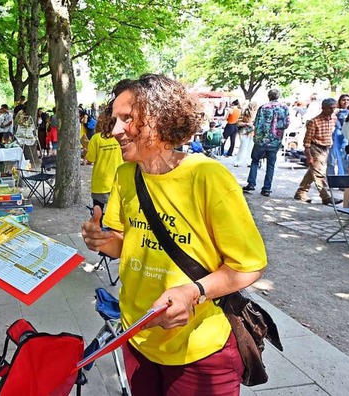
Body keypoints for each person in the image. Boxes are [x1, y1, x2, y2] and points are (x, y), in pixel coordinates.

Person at [81, 74, 267, 395]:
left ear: (160, 118)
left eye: (127, 119)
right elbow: (126, 246)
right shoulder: (126, 175)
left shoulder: (207, 175)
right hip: (137, 335)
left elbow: (247, 266)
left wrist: (193, 292)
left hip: (200, 348)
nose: (114, 131)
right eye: (114, 119)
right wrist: (104, 242)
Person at [294, 98, 342, 205]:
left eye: (334, 107)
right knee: (319, 173)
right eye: (330, 108)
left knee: (313, 171)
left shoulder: (333, 118)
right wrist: (309, 156)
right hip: (315, 147)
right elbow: (307, 141)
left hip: (326, 148)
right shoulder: (314, 122)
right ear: (323, 108)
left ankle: (301, 192)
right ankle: (326, 196)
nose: (332, 110)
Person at [243, 89, 290, 197]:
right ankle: (267, 188)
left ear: (269, 96)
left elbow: (257, 123)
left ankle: (251, 183)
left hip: (261, 139)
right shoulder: (284, 108)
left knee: (255, 161)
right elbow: (286, 124)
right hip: (275, 140)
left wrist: (257, 136)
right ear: (278, 96)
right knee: (271, 164)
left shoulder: (263, 107)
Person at [85, 107, 123, 214]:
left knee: (98, 214)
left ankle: (98, 229)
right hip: (118, 181)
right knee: (117, 215)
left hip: (100, 182)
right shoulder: (119, 137)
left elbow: (90, 159)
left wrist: (85, 151)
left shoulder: (96, 138)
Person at [327, 94, 349, 176]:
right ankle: (331, 180)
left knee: (345, 158)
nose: (346, 101)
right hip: (336, 136)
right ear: (339, 101)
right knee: (332, 158)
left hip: (346, 136)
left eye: (348, 100)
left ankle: (343, 181)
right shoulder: (335, 111)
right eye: (343, 100)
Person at [233, 101, 258, 167]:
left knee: (250, 147)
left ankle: (248, 162)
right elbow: (238, 123)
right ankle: (239, 161)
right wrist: (247, 124)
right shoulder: (244, 113)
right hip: (245, 131)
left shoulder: (257, 114)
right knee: (243, 147)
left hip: (252, 132)